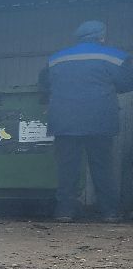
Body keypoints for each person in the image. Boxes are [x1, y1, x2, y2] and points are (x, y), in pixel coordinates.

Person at [39, 20, 132, 222]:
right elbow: (127, 82)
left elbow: (44, 84)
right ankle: (109, 212)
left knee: (68, 168)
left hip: (64, 120)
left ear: (78, 37)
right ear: (102, 37)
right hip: (98, 120)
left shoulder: (56, 59)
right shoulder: (113, 57)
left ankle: (64, 211)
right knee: (102, 166)